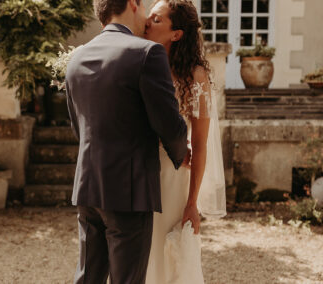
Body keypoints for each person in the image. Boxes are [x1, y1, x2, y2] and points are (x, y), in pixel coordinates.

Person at [65, 0, 190, 283]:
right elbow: (169, 125)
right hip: (129, 192)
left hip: (87, 187)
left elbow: (78, 128)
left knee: (88, 278)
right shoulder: (147, 54)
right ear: (133, 3)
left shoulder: (77, 58)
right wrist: (181, 153)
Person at [144, 1, 227, 283]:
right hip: (137, 172)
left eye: (156, 19)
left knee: (166, 254)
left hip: (173, 177)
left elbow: (200, 144)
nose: (147, 21)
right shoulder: (140, 63)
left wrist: (192, 203)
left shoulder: (196, 77)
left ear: (176, 34)